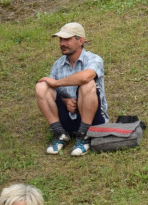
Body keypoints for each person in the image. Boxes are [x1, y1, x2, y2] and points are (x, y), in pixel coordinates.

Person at [36, 22, 109, 156]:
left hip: (94, 120)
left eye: (67, 39)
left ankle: (84, 135)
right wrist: (65, 101)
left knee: (87, 83)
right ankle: (60, 133)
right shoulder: (57, 64)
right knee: (41, 86)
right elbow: (52, 92)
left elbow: (86, 76)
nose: (62, 43)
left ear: (80, 40)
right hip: (68, 119)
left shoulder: (94, 59)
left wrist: (57, 83)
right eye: (61, 40)